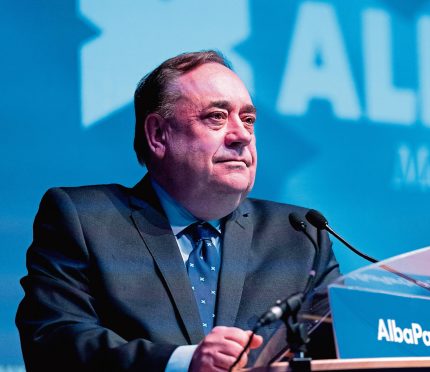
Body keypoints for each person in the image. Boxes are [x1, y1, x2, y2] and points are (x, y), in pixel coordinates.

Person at [16, 50, 339, 372]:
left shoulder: (299, 235)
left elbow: (346, 344)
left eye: (248, 119)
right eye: (216, 116)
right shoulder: (86, 219)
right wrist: (183, 362)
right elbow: (53, 340)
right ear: (158, 135)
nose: (241, 134)